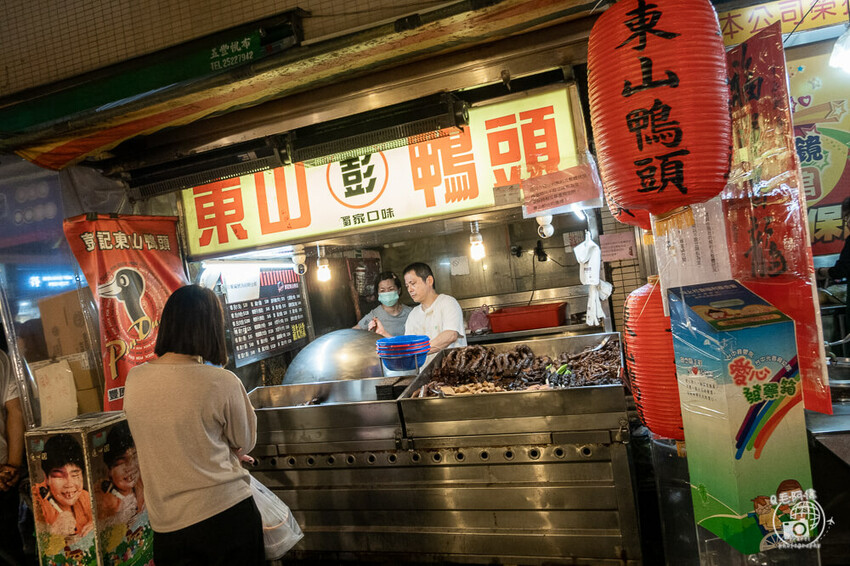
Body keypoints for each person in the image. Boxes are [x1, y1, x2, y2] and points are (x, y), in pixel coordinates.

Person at [123, 285, 263, 566]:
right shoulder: (221, 381)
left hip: (167, 527)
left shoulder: (134, 379)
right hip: (226, 515)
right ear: (211, 327)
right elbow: (244, 441)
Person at [376, 262, 466, 354]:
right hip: (426, 368)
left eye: (413, 283)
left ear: (429, 281)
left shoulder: (448, 303)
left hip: (452, 367)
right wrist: (384, 333)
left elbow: (450, 335)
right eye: (407, 286)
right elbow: (407, 346)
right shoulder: (413, 315)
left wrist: (417, 351)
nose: (410, 290)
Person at [32, 434, 94, 541]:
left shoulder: (85, 497)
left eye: (75, 475)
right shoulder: (35, 500)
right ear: (46, 477)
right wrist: (54, 533)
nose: (69, 484)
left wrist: (95, 526)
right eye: (59, 476)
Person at [0, 326, 27, 565]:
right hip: (3, 472)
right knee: (9, 546)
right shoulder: (1, 357)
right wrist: (12, 467)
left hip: (3, 474)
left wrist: (12, 467)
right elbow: (15, 411)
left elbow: (15, 411)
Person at [97, 421, 145, 526]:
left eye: (134, 456)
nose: (130, 467)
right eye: (121, 462)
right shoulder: (108, 504)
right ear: (109, 470)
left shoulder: (143, 488)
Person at [353, 271, 412, 337]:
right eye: (382, 290)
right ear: (378, 294)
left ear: (399, 290)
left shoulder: (411, 313)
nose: (387, 293)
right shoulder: (374, 316)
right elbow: (354, 332)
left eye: (391, 289)